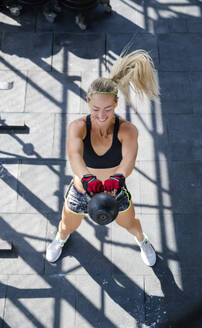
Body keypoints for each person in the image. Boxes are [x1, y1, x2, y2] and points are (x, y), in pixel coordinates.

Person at [46, 49, 159, 266]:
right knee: (66, 226)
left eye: (107, 109)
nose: (101, 115)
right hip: (81, 191)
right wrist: (86, 178)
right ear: (88, 102)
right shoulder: (78, 127)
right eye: (96, 108)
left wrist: (119, 176)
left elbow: (129, 159)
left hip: (114, 192)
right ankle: (60, 240)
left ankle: (143, 241)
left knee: (132, 224)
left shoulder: (127, 130)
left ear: (116, 103)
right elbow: (75, 155)